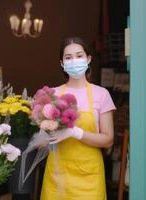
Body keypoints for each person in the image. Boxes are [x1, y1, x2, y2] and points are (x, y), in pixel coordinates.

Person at [40, 37, 116, 200]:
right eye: (68, 58)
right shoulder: (51, 95)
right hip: (57, 178)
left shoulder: (101, 94)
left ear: (88, 59)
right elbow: (41, 144)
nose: (74, 61)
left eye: (79, 56)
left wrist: (75, 133)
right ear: (62, 63)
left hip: (89, 179)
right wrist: (45, 131)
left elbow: (108, 140)